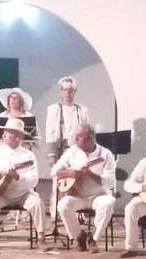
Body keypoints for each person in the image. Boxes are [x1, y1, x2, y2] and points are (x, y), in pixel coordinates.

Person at [0, 118, 47, 252]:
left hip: (23, 193)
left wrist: (18, 177)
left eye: (16, 133)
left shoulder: (28, 155)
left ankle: (41, 237)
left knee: (37, 203)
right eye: (10, 132)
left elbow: (34, 179)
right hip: (2, 193)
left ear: (20, 137)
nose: (13, 136)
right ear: (4, 134)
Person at [51, 123, 116, 253]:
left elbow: (110, 181)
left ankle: (94, 240)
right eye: (76, 137)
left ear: (90, 138)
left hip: (99, 195)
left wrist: (91, 174)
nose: (75, 141)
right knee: (63, 205)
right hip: (77, 195)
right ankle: (80, 237)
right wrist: (71, 173)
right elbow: (54, 171)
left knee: (108, 203)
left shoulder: (106, 154)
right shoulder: (72, 151)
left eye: (78, 137)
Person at [45, 76, 90, 219]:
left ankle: (77, 214)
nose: (67, 93)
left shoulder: (82, 110)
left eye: (70, 90)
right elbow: (50, 131)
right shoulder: (53, 109)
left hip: (77, 150)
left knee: (77, 180)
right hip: (61, 149)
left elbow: (87, 130)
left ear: (74, 92)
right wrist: (51, 154)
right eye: (64, 90)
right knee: (58, 180)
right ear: (60, 92)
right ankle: (56, 214)